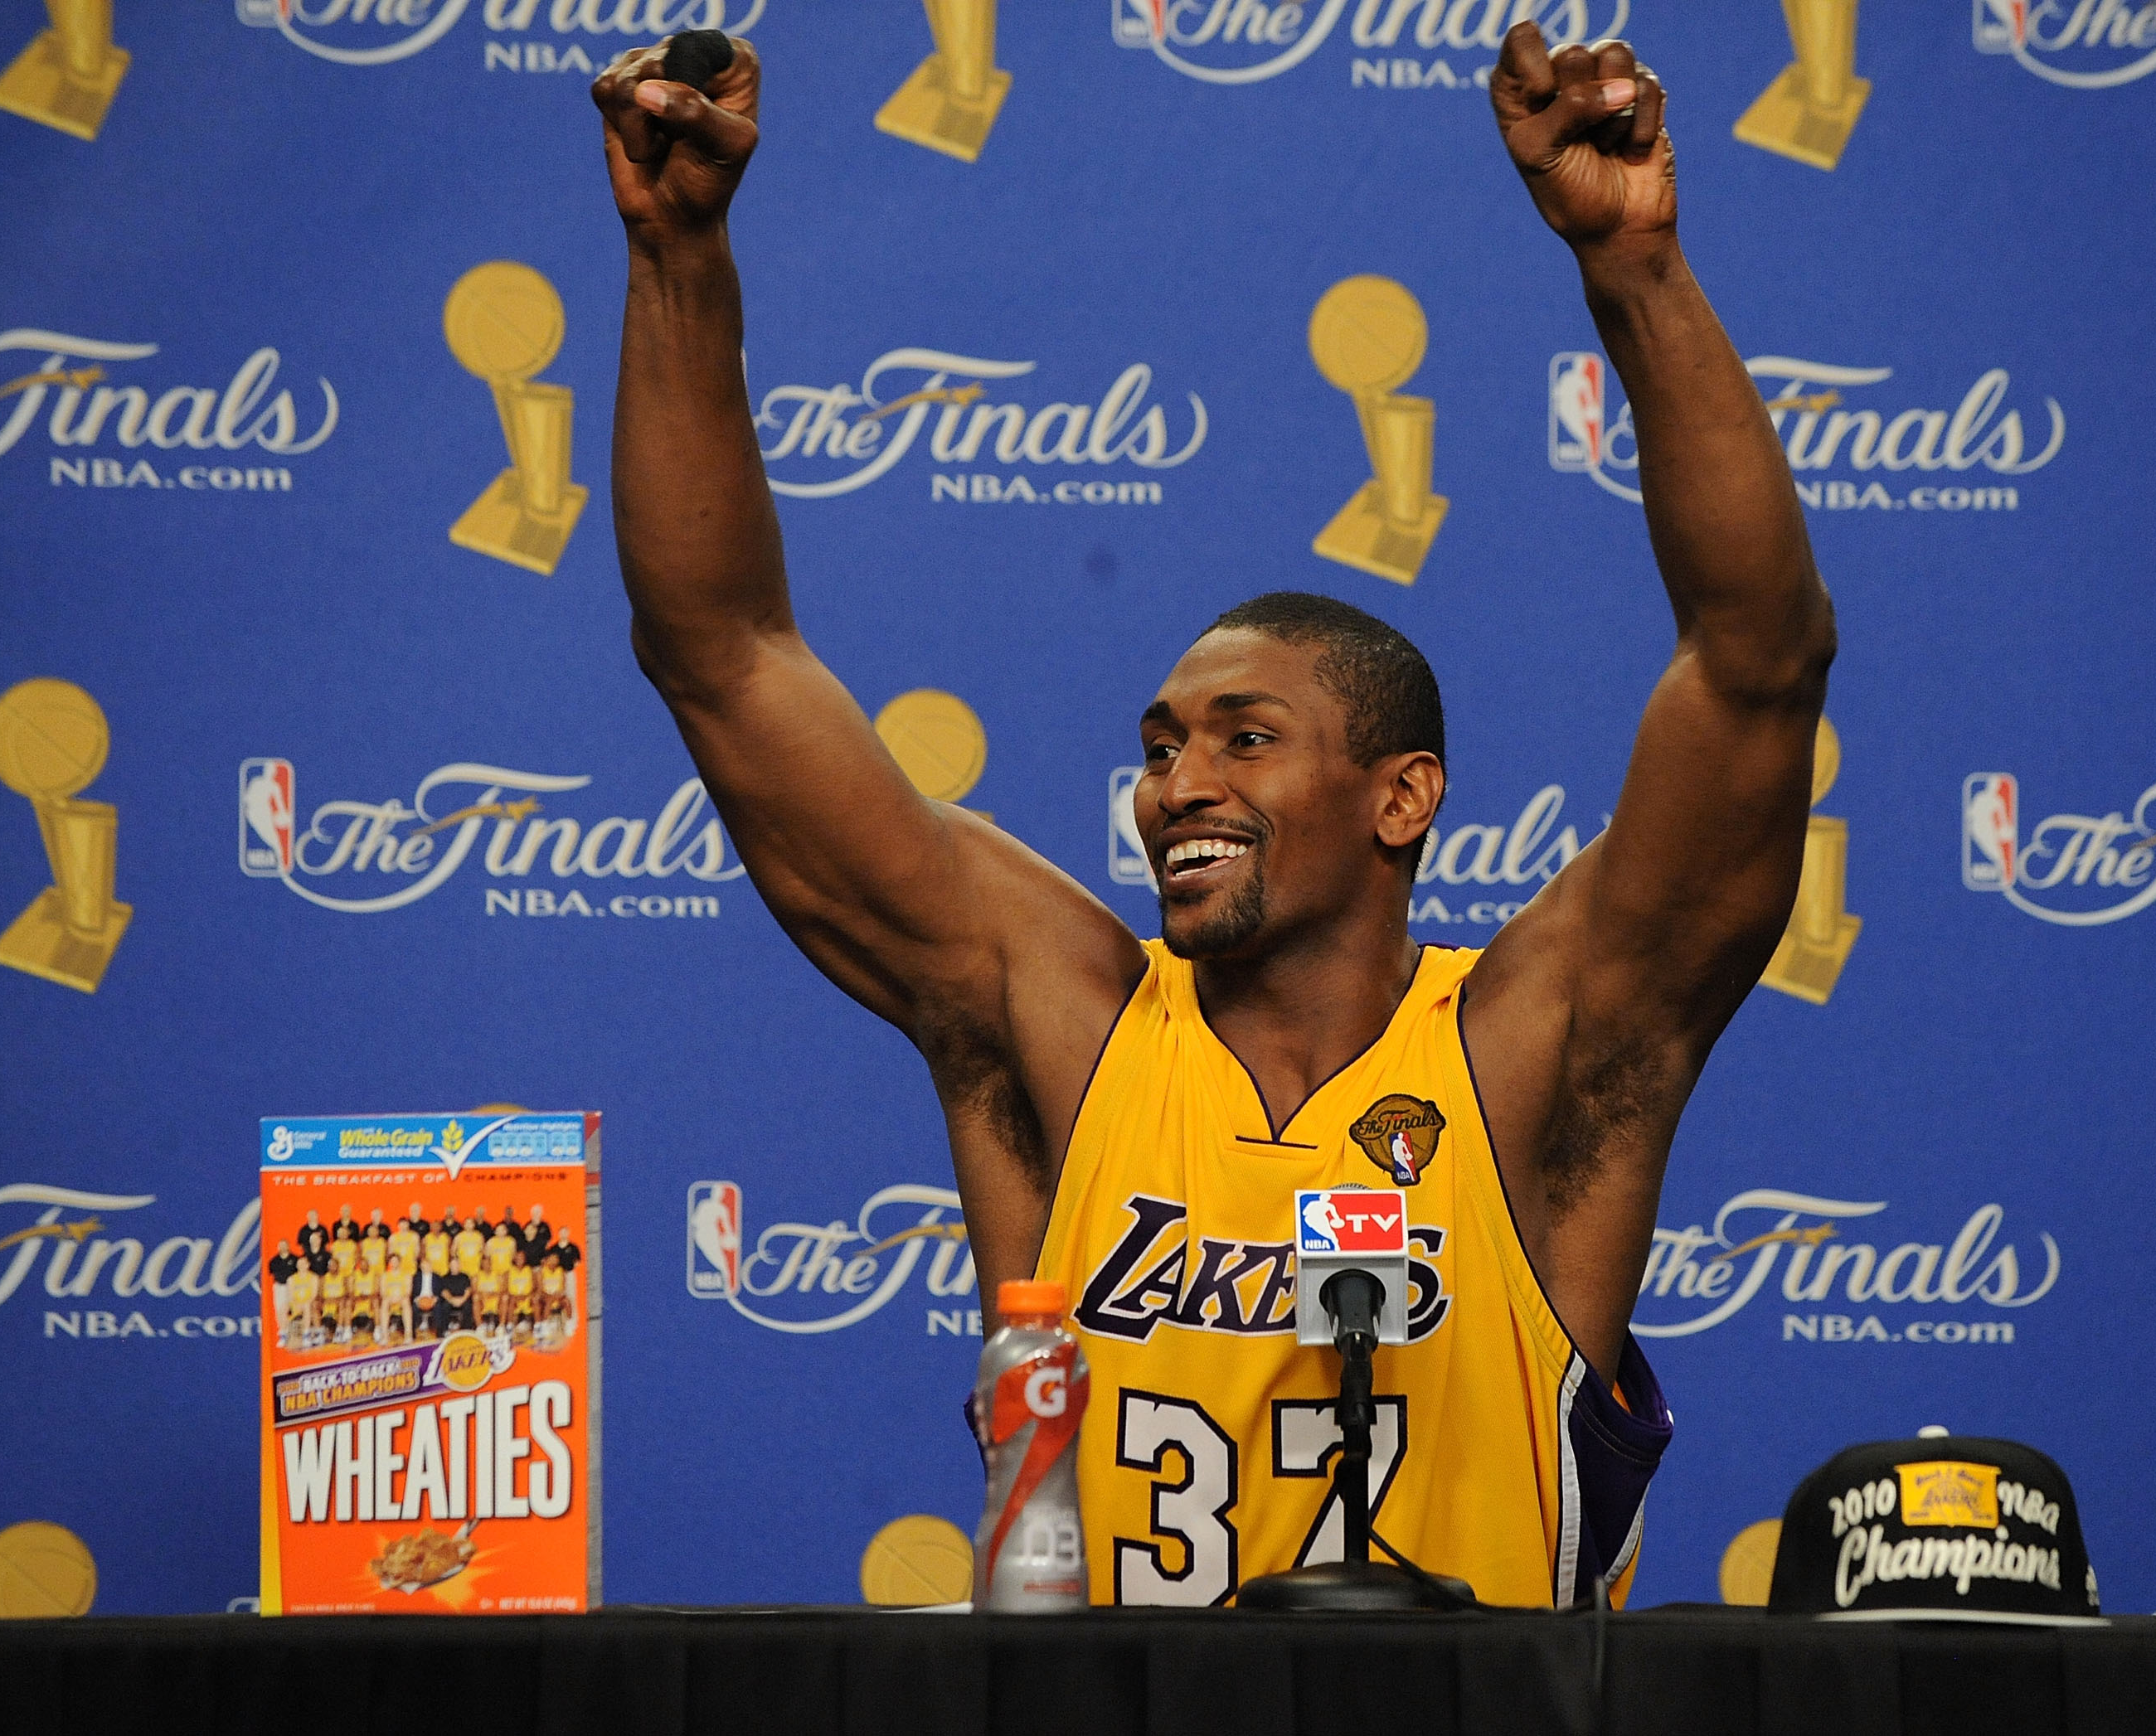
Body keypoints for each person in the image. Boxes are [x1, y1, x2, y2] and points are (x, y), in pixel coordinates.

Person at [592, 23, 1831, 1608]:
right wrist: (677, 259)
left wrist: (1636, 271)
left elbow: (1756, 665)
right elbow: (724, 657)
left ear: (1402, 796)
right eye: (1162, 747)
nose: (1180, 784)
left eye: (1248, 739)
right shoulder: (1067, 1027)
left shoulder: (1536, 1056)